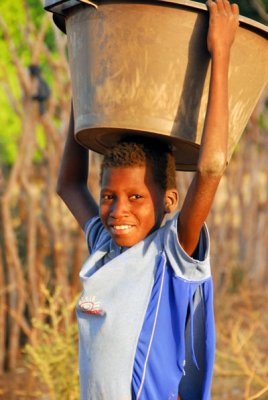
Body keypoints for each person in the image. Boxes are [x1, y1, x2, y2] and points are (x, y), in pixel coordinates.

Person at [57, 1, 239, 399]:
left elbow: (210, 168)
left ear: (169, 199)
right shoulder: (105, 249)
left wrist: (220, 53)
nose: (118, 210)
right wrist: (82, 89)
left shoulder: (171, 255)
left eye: (136, 196)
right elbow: (69, 185)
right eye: (109, 196)